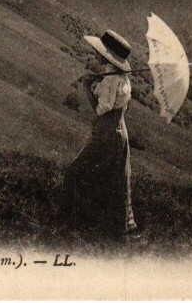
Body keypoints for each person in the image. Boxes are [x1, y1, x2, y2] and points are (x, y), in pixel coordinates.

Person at [61, 30, 138, 239]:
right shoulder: (116, 77)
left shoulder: (112, 80)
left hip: (107, 131)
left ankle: (70, 221)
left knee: (76, 172)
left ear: (106, 55)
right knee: (114, 178)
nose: (96, 55)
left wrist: (87, 86)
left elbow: (100, 109)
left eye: (100, 52)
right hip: (117, 130)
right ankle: (117, 227)